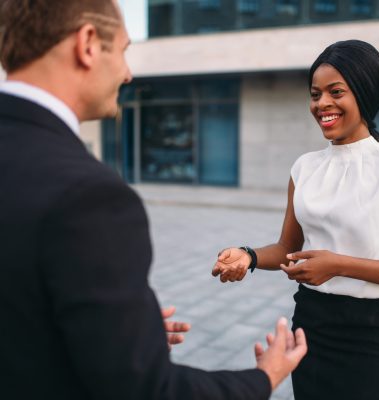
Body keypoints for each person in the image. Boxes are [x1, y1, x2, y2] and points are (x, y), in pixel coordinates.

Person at [0, 1, 306, 399]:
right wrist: (263, 377)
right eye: (124, 51)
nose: (128, 74)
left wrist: (111, 333)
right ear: (88, 43)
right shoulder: (90, 196)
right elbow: (148, 390)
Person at [212, 40, 379, 400]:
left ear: (364, 93)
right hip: (311, 325)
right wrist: (249, 256)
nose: (322, 104)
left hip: (370, 335)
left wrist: (339, 265)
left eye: (336, 92)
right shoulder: (304, 168)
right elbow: (287, 248)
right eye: (316, 94)